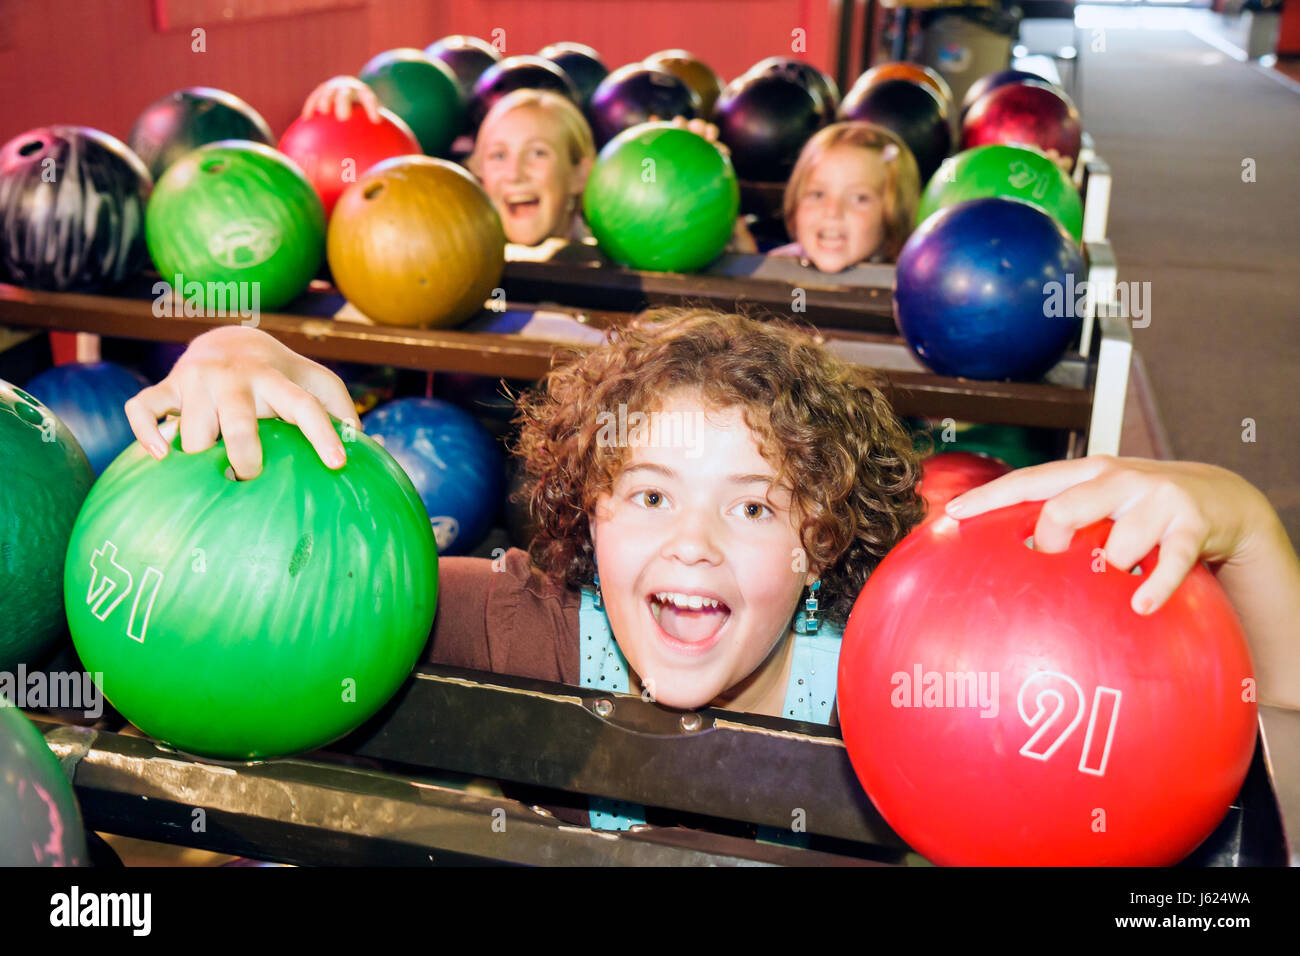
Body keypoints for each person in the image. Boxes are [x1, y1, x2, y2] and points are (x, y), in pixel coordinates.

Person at [124, 311, 1300, 721]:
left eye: (753, 503)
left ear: (823, 539)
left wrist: (1238, 516)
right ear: (587, 518)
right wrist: (236, 347)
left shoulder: (903, 674)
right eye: (647, 495)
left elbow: (1277, 722)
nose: (691, 543)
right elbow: (269, 595)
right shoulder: (520, 624)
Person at [302, 77, 755, 252]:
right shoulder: (447, 244)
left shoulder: (614, 245)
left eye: (538, 153)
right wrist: (348, 99)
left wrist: (702, 190)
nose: (515, 172)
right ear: (478, 173)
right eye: (498, 156)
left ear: (581, 173)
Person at [769, 121, 921, 272]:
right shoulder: (772, 270)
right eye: (818, 194)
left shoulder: (911, 283)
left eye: (859, 198)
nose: (832, 211)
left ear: (893, 212)